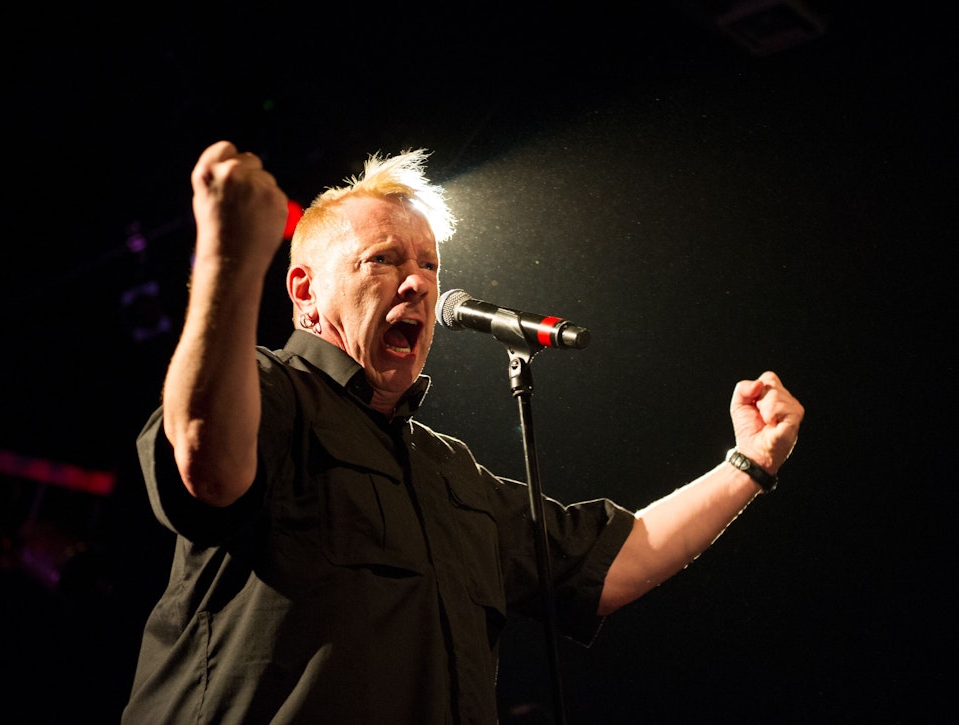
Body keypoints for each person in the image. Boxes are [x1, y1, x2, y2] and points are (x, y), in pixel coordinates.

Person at [122, 140, 804, 724]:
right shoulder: (272, 393)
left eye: (429, 264)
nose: (417, 282)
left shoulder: (450, 474)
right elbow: (206, 460)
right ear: (304, 291)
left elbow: (613, 561)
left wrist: (749, 462)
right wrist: (228, 259)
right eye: (384, 259)